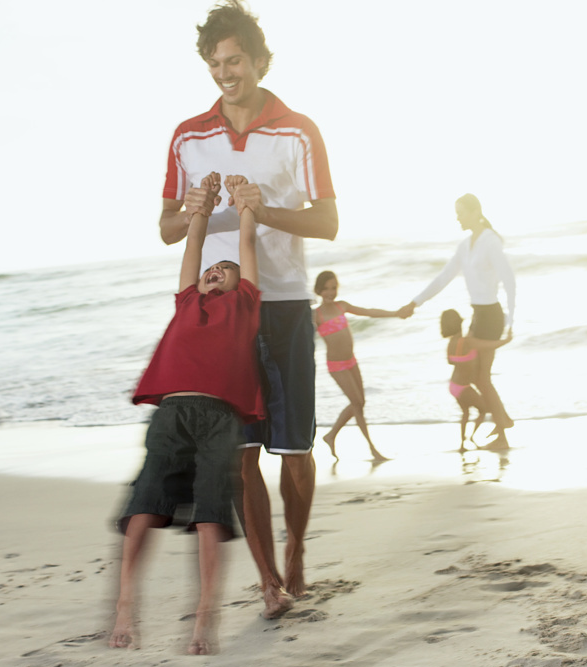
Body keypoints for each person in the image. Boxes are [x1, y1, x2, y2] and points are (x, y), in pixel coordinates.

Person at [160, 1, 338, 614]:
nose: (225, 73)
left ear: (259, 61)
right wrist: (194, 211)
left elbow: (328, 221)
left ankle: (295, 554)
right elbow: (165, 228)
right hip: (220, 315)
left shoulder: (298, 129)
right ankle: (268, 583)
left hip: (285, 304)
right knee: (238, 454)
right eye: (215, 63)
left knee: (294, 449)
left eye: (235, 61)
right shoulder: (187, 136)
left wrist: (262, 211)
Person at [111, 172, 261, 655]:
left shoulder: (244, 305)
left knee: (212, 510)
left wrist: (243, 206)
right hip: (172, 412)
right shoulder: (187, 300)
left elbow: (246, 241)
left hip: (219, 417)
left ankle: (204, 617)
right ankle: (124, 605)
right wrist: (201, 207)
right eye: (210, 268)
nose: (215, 269)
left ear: (241, 284)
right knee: (145, 501)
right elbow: (193, 241)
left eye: (226, 268)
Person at [399, 194, 516, 449]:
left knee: (482, 377)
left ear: (475, 212)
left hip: (492, 316)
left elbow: (509, 279)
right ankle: (502, 422)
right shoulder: (465, 246)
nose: (457, 217)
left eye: (461, 212)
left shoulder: (490, 241)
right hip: (479, 314)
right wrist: (415, 302)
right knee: (478, 376)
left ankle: (503, 428)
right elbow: (443, 278)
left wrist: (510, 319)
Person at [313, 271, 405, 461]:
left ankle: (330, 436)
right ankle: (372, 449)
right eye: (326, 289)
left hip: (351, 361)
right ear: (319, 290)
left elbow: (369, 312)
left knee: (360, 402)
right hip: (336, 366)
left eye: (333, 288)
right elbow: (303, 338)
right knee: (357, 403)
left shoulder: (342, 306)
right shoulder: (316, 314)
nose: (330, 292)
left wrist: (396, 313)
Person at [440, 309, 512, 453]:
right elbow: (489, 345)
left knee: (466, 413)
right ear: (460, 322)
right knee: (484, 409)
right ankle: (472, 437)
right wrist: (506, 340)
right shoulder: (467, 341)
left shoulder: (451, 343)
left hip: (454, 386)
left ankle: (463, 444)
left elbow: (450, 362)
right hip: (464, 386)